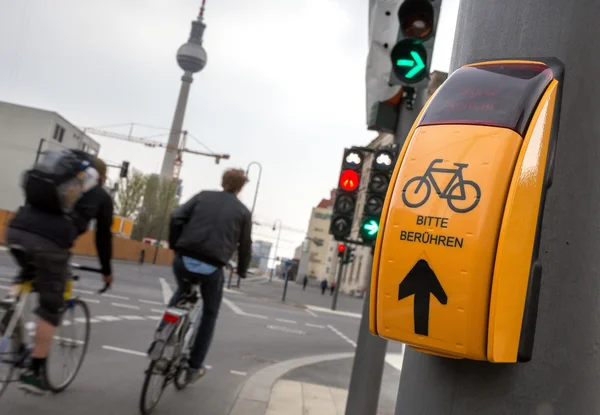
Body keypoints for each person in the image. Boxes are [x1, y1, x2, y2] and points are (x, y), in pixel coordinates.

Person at [5, 152, 114, 395]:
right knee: (51, 306)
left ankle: (10, 304)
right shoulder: (100, 195)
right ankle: (34, 372)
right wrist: (106, 271)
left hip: (16, 229)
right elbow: (103, 237)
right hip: (51, 242)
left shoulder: (55, 184)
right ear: (102, 177)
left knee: (28, 269)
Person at [168, 168, 252, 384]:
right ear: (241, 188)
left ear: (222, 181)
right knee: (209, 313)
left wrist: (175, 245)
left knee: (182, 291)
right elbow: (245, 246)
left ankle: (160, 338)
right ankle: (194, 366)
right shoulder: (243, 212)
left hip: (184, 258)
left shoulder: (202, 196)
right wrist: (242, 270)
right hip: (212, 266)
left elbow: (176, 216)